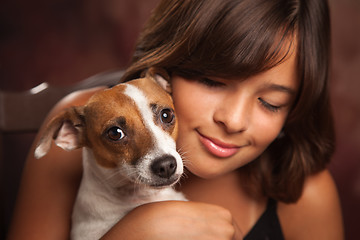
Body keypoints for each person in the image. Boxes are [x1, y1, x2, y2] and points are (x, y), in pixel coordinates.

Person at [7, 0, 344, 239]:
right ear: (166, 71)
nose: (234, 120)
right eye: (213, 81)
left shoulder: (307, 194)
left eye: (271, 103)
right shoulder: (80, 126)